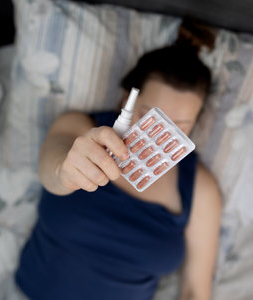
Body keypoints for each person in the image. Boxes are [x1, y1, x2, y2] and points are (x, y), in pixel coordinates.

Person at [15, 31, 222, 300]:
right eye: (150, 117)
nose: (158, 135)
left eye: (178, 127)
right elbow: (52, 169)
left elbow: (195, 291)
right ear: (127, 99)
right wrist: (65, 171)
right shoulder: (79, 128)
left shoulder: (200, 189)